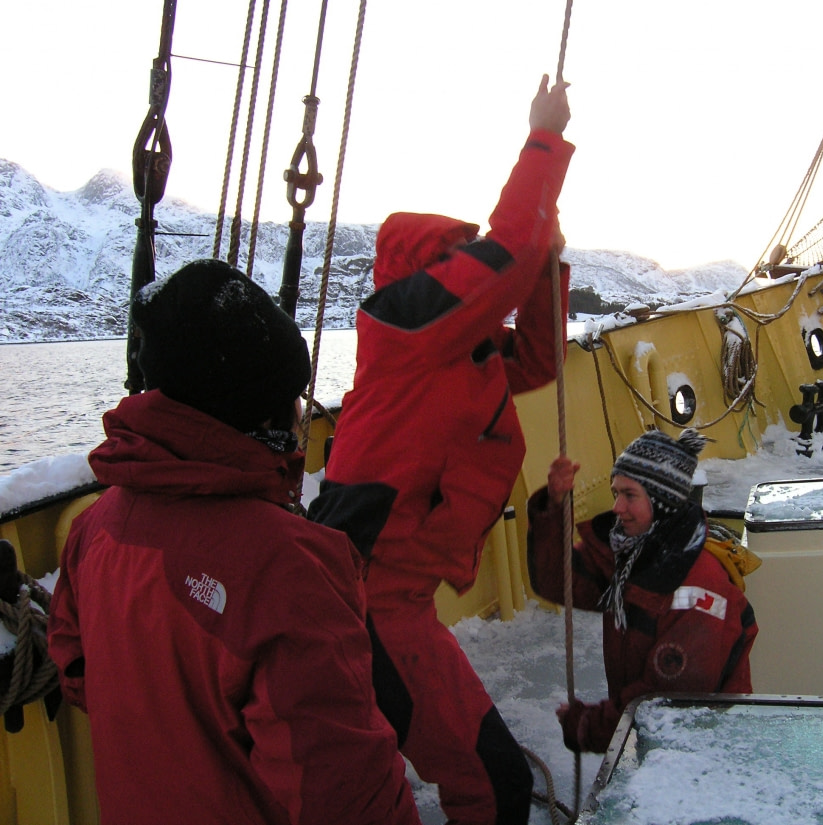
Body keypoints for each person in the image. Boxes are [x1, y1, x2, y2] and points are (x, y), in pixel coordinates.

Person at [46, 260, 420, 825]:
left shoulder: (93, 529)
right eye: (294, 396)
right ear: (263, 411)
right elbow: (344, 796)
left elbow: (77, 672)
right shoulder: (287, 567)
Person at [306, 74, 573, 825]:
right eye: (456, 261)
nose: (473, 278)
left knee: (487, 777)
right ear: (427, 276)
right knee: (493, 785)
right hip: (369, 600)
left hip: (401, 599)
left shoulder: (464, 351)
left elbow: (544, 361)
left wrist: (548, 265)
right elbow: (508, 248)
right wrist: (544, 137)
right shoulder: (405, 328)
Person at [526, 428, 760, 755]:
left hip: (702, 753)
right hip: (661, 745)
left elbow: (663, 702)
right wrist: (553, 505)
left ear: (662, 501)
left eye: (629, 495)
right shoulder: (632, 556)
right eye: (615, 493)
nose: (617, 507)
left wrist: (585, 726)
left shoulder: (698, 590)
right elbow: (556, 580)